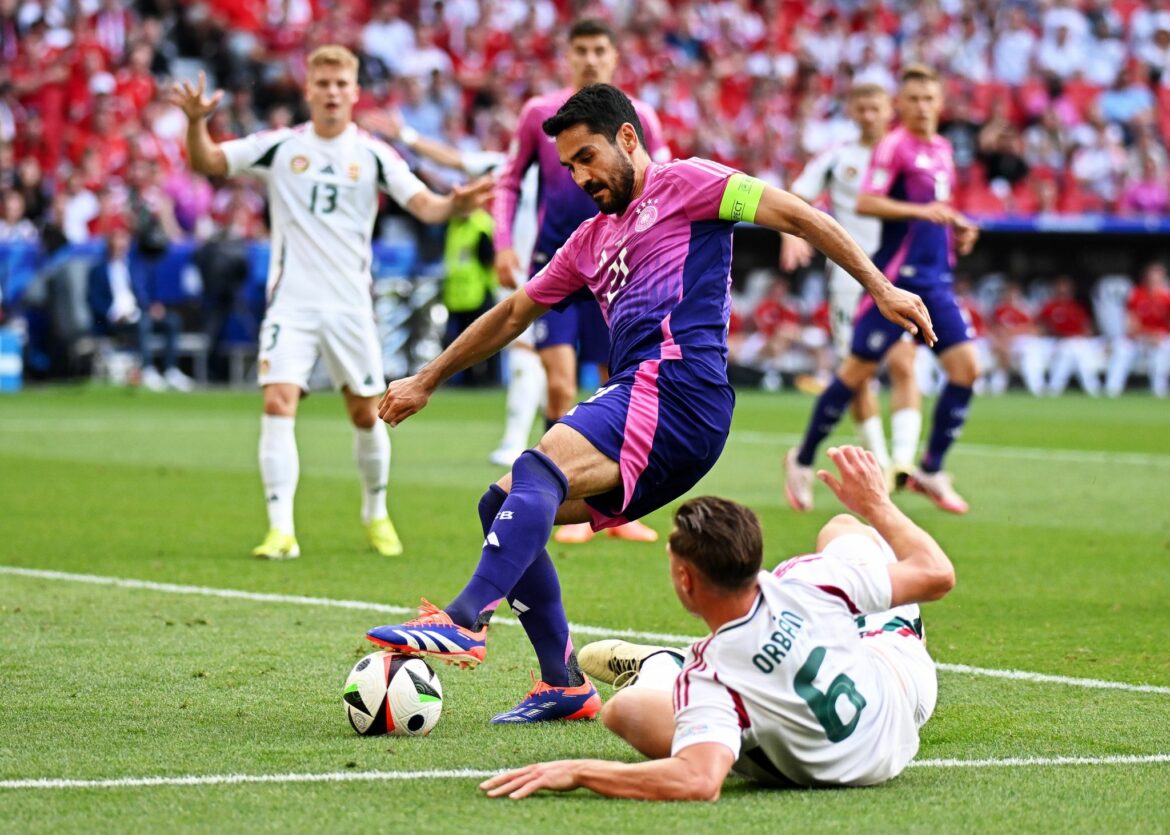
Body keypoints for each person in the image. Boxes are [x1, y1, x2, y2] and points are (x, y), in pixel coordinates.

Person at [365, 83, 934, 725]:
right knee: (500, 503)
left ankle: (465, 619)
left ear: (627, 138)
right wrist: (428, 377)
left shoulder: (693, 183)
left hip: (682, 387)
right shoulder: (588, 241)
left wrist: (880, 287)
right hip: (654, 402)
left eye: (587, 157)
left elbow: (801, 216)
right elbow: (516, 312)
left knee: (543, 461)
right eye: (570, 166)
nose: (579, 176)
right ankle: (564, 684)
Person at [479, 444, 955, 799]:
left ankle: (666, 666)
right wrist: (876, 505)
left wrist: (581, 770)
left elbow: (698, 779)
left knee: (625, 712)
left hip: (837, 728)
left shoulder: (711, 678)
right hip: (899, 698)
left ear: (685, 580)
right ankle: (671, 669)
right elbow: (936, 574)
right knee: (844, 528)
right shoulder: (807, 579)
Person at [172, 45, 490, 560]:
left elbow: (425, 206)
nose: (333, 93)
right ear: (309, 90)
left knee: (367, 414)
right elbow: (207, 160)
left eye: (342, 84)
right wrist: (195, 124)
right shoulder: (280, 146)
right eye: (323, 84)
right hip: (292, 303)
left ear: (355, 92)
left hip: (349, 306)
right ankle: (281, 531)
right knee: (278, 402)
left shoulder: (372, 155)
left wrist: (455, 203)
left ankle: (376, 512)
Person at [490, 19, 671, 546]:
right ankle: (555, 499)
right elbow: (508, 180)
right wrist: (504, 242)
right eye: (581, 50)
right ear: (568, 57)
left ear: (614, 57)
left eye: (599, 50)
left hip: (620, 264)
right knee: (562, 383)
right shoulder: (539, 115)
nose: (590, 58)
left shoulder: (639, 118)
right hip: (557, 262)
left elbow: (660, 181)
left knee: (624, 382)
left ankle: (618, 508)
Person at [785, 65, 980, 517]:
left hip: (936, 280)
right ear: (901, 105)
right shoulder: (892, 148)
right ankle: (805, 456)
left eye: (929, 99)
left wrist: (956, 228)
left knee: (965, 368)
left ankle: (925, 467)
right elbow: (867, 203)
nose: (922, 107)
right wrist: (924, 210)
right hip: (891, 279)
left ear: (940, 102)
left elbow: (937, 210)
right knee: (856, 376)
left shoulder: (943, 149)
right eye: (913, 100)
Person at [782, 83, 921, 486]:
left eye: (875, 107)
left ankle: (903, 462)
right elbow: (797, 197)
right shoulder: (838, 157)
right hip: (850, 277)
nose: (868, 115)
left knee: (904, 362)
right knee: (858, 371)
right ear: (852, 112)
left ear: (888, 109)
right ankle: (879, 461)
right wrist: (790, 235)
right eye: (860, 108)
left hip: (898, 272)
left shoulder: (906, 155)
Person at [86, 220, 194, 392]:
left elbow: (142, 294)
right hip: (115, 320)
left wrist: (152, 307)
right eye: (117, 239)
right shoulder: (98, 270)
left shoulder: (134, 267)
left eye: (123, 239)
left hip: (138, 314)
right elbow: (95, 300)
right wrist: (114, 314)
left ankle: (170, 370)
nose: (120, 243)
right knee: (143, 324)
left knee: (172, 321)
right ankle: (147, 369)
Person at [1104, 262, 1170, 398]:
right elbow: (1130, 324)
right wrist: (1147, 336)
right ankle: (1112, 390)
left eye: (1158, 278)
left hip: (1160, 339)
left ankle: (1159, 391)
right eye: (1151, 278)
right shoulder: (1136, 294)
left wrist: (1158, 337)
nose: (1154, 281)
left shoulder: (1166, 297)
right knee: (1122, 348)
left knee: (1163, 349)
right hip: (1139, 338)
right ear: (1146, 278)